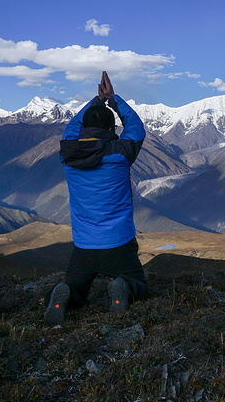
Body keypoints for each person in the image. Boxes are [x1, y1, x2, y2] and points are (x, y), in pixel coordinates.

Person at [44, 71, 148, 325]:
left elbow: (71, 127)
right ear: (112, 129)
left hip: (84, 245)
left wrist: (97, 100)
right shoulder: (121, 152)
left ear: (84, 130)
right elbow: (136, 127)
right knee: (139, 285)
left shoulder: (68, 153)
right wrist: (113, 99)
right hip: (119, 242)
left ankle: (67, 293)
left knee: (76, 287)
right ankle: (124, 286)